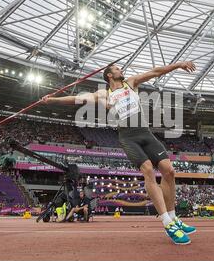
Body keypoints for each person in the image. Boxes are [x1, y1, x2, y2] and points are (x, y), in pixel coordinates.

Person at [43, 61, 197, 245]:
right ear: (109, 75)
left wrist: (178, 65)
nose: (121, 70)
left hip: (145, 133)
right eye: (117, 69)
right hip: (128, 137)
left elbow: (155, 71)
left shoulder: (131, 83)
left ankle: (174, 217)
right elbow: (78, 98)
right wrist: (51, 100)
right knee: (148, 169)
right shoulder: (103, 94)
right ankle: (167, 223)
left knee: (169, 171)